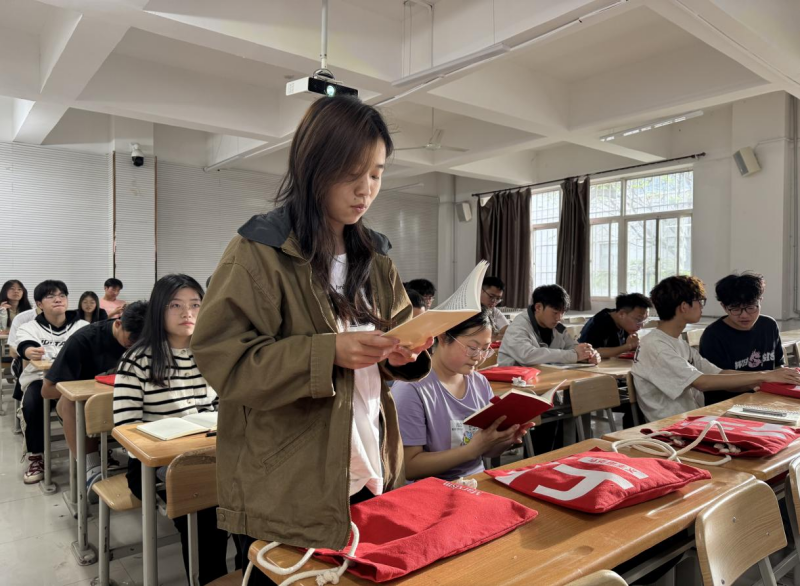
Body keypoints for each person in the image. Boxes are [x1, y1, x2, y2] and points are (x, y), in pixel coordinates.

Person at [191, 96, 433, 583]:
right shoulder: (257, 252)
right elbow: (224, 360)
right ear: (313, 167)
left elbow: (394, 335)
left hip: (369, 455)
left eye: (377, 174)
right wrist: (329, 353)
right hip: (289, 473)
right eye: (352, 174)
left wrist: (403, 352)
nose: (366, 190)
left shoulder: (376, 257)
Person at [113, 274, 232, 584]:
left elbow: (224, 407)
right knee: (207, 515)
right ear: (158, 310)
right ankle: (209, 579)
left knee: (252, 501)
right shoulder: (137, 360)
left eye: (195, 304)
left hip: (212, 453)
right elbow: (125, 430)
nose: (187, 313)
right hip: (153, 466)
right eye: (175, 305)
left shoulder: (209, 354)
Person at [632, 275, 800, 421]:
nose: (702, 307)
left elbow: (719, 373)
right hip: (670, 426)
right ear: (684, 307)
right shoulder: (656, 346)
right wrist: (765, 375)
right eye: (700, 302)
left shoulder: (676, 342)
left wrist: (767, 377)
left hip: (696, 418)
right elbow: (702, 382)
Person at [393, 309, 532, 481]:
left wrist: (505, 438)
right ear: (443, 337)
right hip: (430, 489)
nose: (478, 357)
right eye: (472, 348)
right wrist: (471, 450)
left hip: (475, 482)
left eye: (485, 349)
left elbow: (487, 450)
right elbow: (409, 467)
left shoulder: (479, 383)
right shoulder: (411, 389)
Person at [42, 301, 147, 482]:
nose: (135, 348)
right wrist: (89, 389)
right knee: (74, 402)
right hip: (79, 407)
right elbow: (47, 390)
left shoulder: (152, 342)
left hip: (125, 401)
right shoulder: (83, 340)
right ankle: (90, 468)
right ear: (118, 324)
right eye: (131, 341)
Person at [15, 280, 88, 483]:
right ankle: (36, 456)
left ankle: (93, 453)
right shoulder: (29, 327)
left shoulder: (82, 326)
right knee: (32, 402)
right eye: (51, 296)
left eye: (62, 295)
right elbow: (24, 344)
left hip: (75, 379)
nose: (58, 299)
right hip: (41, 378)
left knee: (93, 403)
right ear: (39, 304)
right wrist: (29, 351)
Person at [699, 272, 784, 405]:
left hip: (765, 399)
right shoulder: (713, 335)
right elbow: (721, 381)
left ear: (760, 301)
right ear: (724, 306)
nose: (744, 315)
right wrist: (764, 380)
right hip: (727, 405)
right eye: (735, 309)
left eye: (751, 307)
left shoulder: (769, 325)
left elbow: (778, 365)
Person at [498, 284, 600, 366]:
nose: (559, 318)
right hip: (514, 381)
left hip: (544, 377)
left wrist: (588, 355)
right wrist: (574, 355)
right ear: (538, 307)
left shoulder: (558, 328)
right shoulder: (518, 325)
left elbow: (572, 347)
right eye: (555, 313)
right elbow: (527, 355)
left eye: (562, 313)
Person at [579, 293, 653, 359]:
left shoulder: (623, 322)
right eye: (638, 320)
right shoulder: (600, 323)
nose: (641, 325)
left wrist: (635, 345)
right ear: (621, 314)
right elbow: (593, 351)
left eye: (644, 321)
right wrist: (628, 346)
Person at [481, 276, 509, 341]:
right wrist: (496, 337)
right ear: (480, 291)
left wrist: (496, 337)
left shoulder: (494, 311)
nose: (494, 301)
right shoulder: (469, 311)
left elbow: (508, 331)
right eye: (491, 296)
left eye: (498, 298)